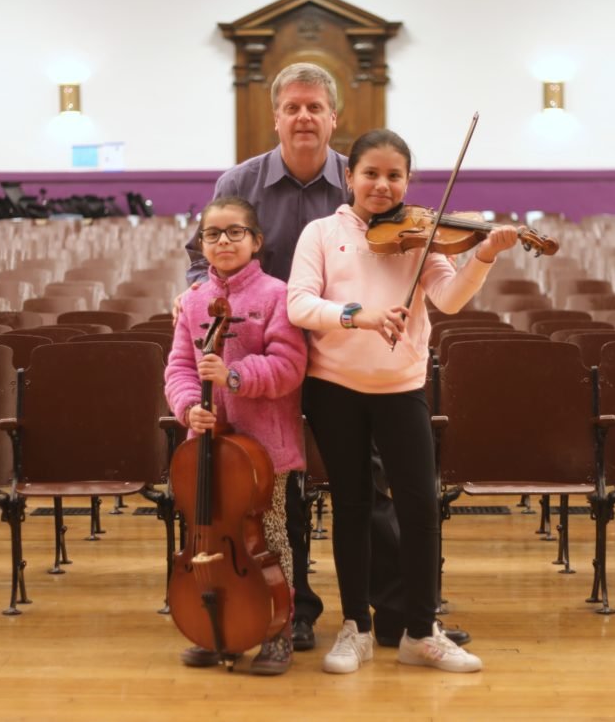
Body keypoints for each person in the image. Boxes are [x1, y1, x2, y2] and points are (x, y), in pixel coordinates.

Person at [183, 63, 470, 653]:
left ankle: (399, 614)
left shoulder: (362, 176)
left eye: (315, 107)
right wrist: (205, 309)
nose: (304, 117)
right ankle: (291, 611)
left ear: (334, 117)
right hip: (266, 355)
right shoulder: (239, 181)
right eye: (292, 107)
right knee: (274, 487)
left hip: (344, 356)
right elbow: (202, 261)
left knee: (365, 489)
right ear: (276, 116)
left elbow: (416, 259)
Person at [287, 128, 525, 674]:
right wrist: (358, 315)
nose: (382, 184)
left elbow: (448, 299)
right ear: (349, 177)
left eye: (395, 175)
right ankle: (356, 628)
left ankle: (421, 632)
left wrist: (484, 255)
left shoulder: (421, 234)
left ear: (408, 181)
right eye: (371, 173)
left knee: (419, 507)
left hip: (401, 388)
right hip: (334, 388)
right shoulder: (321, 233)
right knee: (351, 506)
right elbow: (299, 303)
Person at [165, 196, 307, 676]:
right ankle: (214, 625)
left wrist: (233, 376)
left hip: (264, 450)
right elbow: (180, 367)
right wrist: (189, 407)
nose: (222, 241)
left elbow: (289, 366)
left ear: (256, 241)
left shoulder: (275, 295)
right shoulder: (193, 301)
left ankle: (277, 631)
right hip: (205, 449)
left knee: (268, 542)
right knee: (207, 536)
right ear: (201, 243)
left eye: (234, 233)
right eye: (212, 234)